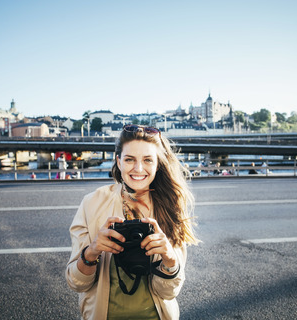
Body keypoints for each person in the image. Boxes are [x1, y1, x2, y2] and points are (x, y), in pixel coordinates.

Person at [65, 124, 199, 320]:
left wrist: (170, 259)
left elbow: (168, 293)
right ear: (118, 162)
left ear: (157, 164)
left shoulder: (170, 206)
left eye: (147, 160)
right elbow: (77, 284)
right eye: (129, 159)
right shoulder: (91, 203)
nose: (138, 169)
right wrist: (92, 251)